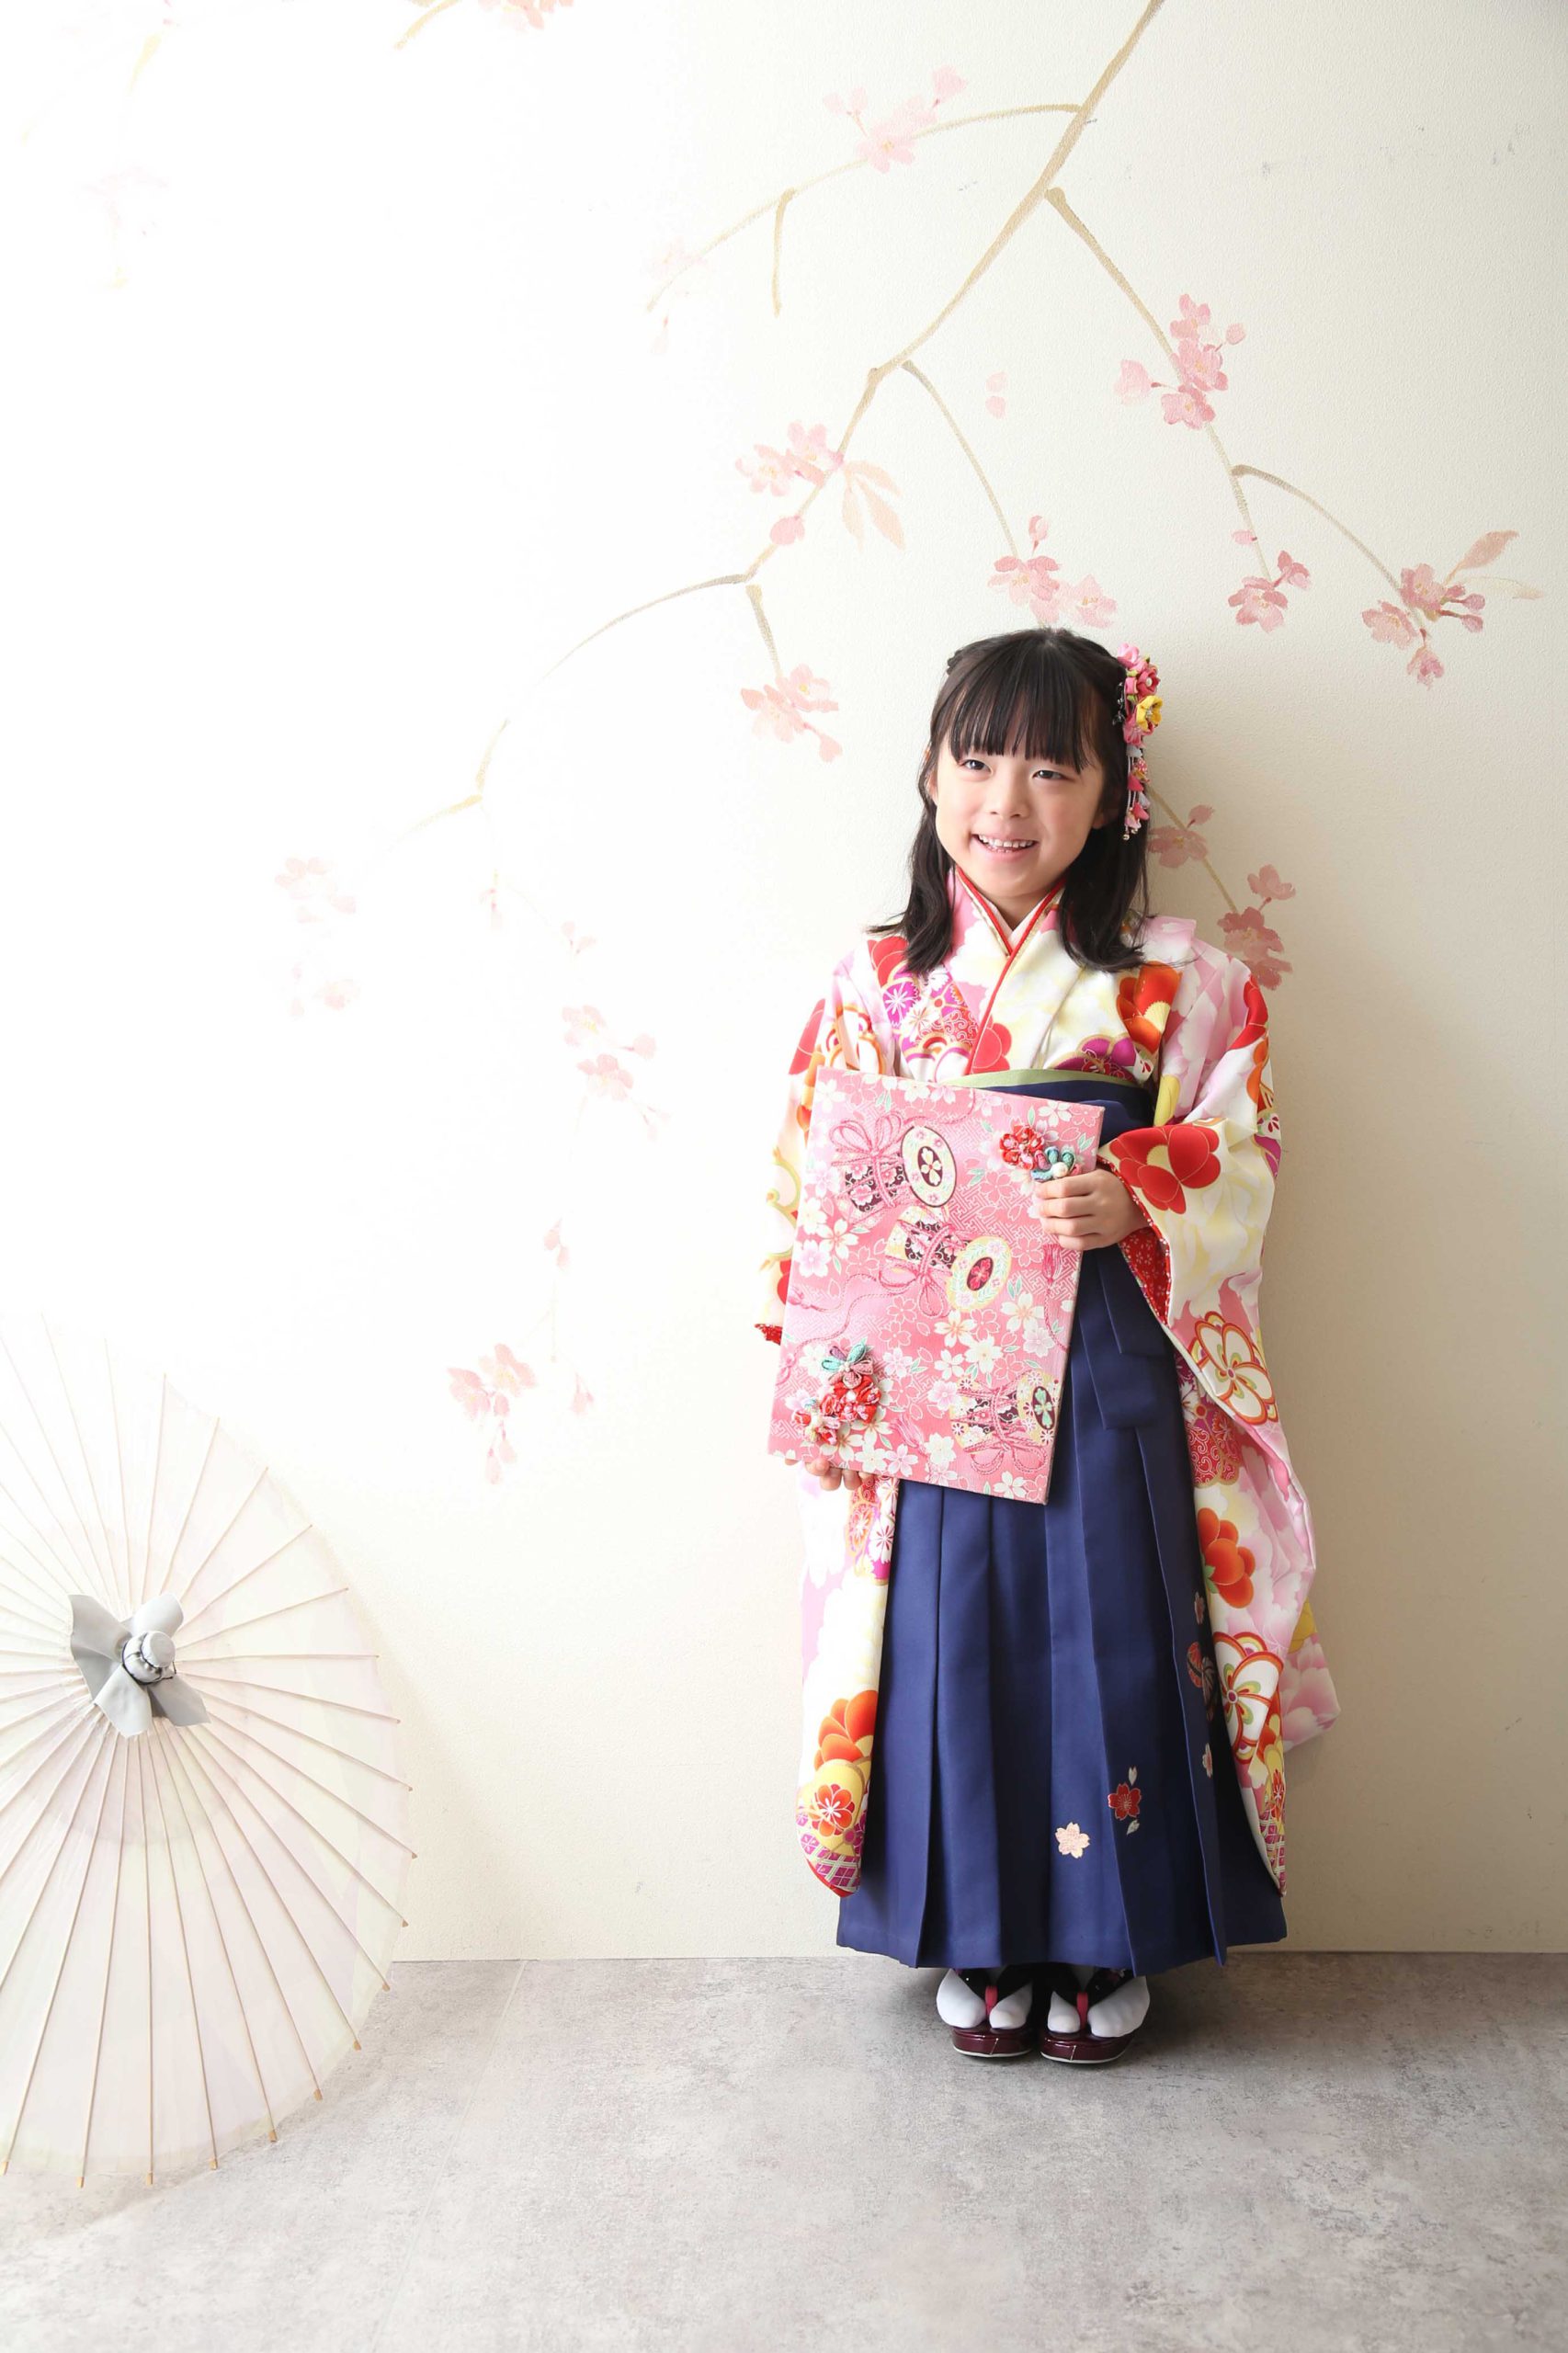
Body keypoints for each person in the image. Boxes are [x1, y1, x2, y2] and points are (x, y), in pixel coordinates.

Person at [755, 625, 1339, 2063]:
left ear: (1110, 796)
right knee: (950, 1644)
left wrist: (1138, 1190)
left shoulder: (1183, 979)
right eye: (976, 762)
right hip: (929, 1378)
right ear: (930, 777)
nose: (1006, 802)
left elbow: (1243, 1150)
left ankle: (1101, 1943)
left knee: (1111, 1636)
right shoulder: (875, 984)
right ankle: (977, 1935)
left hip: (1107, 1368)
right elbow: (807, 1181)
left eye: (1050, 769)